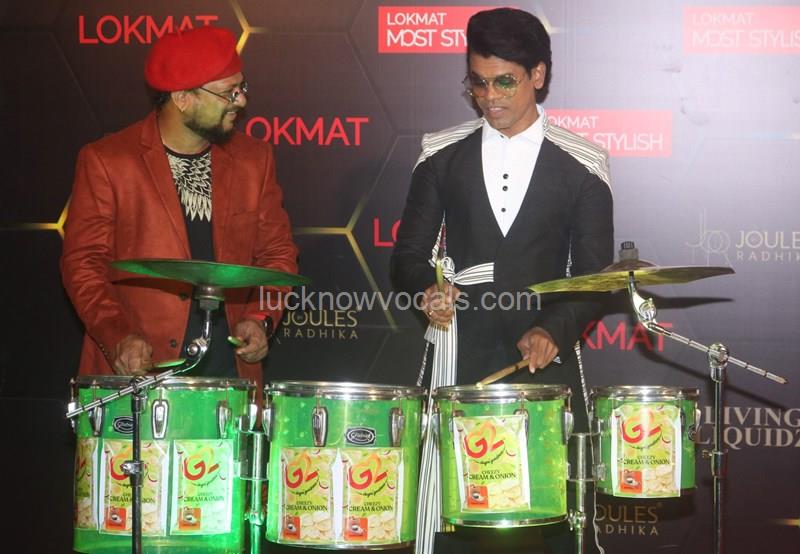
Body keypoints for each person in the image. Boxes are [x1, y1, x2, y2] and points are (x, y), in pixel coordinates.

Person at [390, 7, 613, 554]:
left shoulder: (584, 164)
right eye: (478, 82)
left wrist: (554, 330)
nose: (489, 97)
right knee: (454, 522)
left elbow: (593, 277)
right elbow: (408, 256)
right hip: (458, 358)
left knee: (539, 526)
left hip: (542, 366)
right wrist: (426, 290)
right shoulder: (440, 154)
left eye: (504, 82)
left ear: (538, 74)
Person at [61, 26, 298, 391]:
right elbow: (83, 265)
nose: (240, 101)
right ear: (183, 98)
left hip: (229, 380)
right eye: (228, 92)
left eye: (242, 87)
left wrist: (261, 318)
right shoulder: (108, 161)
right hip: (137, 377)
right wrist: (118, 335)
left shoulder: (255, 159)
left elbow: (277, 256)